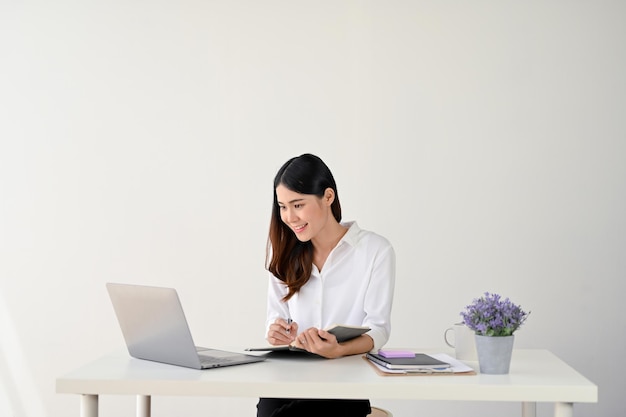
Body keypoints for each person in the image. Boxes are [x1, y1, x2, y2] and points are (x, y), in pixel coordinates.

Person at [257, 153, 395, 417]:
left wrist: (338, 349)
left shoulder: (375, 251)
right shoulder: (285, 253)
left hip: (344, 384)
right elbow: (275, 320)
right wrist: (277, 333)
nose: (289, 217)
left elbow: (378, 330)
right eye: (283, 207)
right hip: (287, 379)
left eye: (298, 205)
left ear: (328, 197)